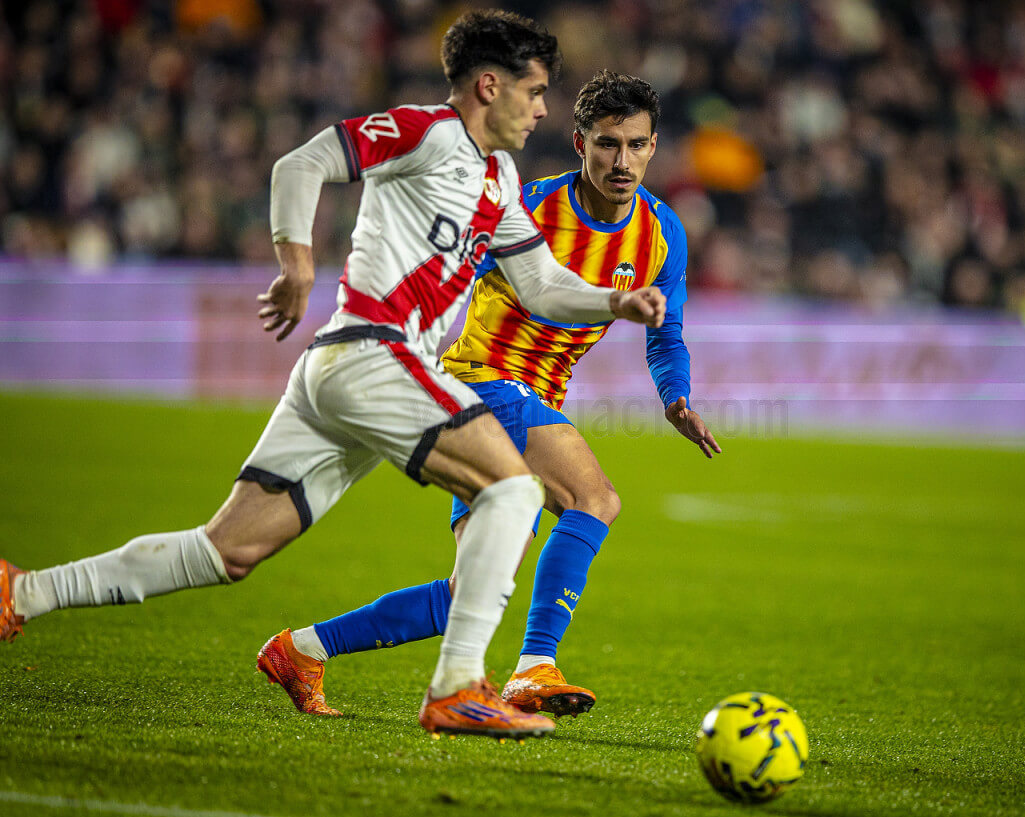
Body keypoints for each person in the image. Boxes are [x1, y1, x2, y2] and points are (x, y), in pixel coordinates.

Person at [0, 11, 668, 741]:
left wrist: (616, 302)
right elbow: (301, 164)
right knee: (512, 490)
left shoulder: (499, 178)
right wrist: (296, 263)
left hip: (344, 371)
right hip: (374, 353)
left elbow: (540, 284)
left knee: (227, 551)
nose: (541, 110)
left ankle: (23, 591)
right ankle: (458, 687)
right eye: (534, 92)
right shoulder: (424, 132)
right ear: (489, 85)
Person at [254, 70, 720, 720]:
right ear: (580, 143)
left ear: (653, 146)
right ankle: (534, 667)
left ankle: (302, 649)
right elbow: (441, 270)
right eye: (608, 144)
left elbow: (666, 334)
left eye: (636, 145)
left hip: (534, 398)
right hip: (481, 379)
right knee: (594, 499)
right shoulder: (525, 208)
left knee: (470, 591)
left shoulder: (663, 233)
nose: (622, 161)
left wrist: (676, 397)